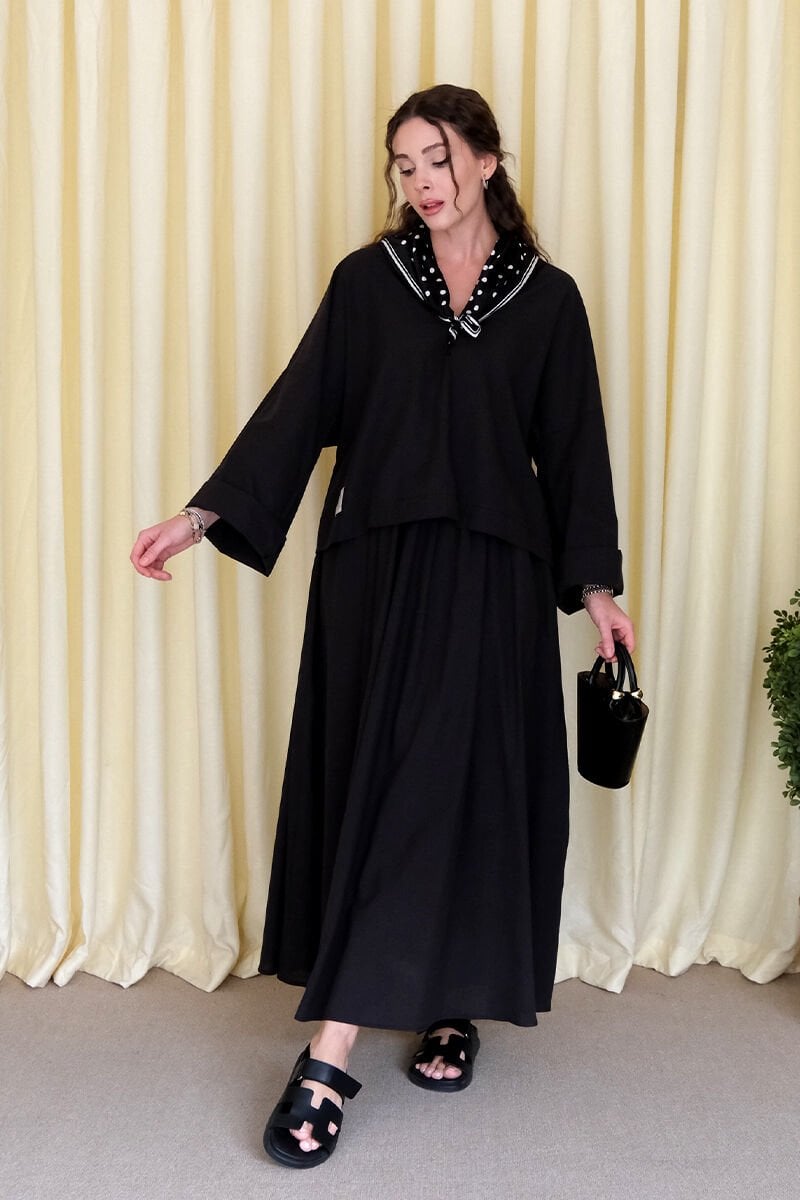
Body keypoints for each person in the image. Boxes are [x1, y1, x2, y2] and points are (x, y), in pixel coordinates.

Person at [131, 83, 635, 1169]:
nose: (420, 182)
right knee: (385, 781)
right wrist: (199, 516)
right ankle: (385, 1012)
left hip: (494, 578)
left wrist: (597, 591)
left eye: (437, 158)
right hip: (375, 572)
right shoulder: (368, 283)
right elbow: (298, 408)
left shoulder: (548, 302)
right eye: (404, 164)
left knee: (462, 787)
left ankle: (343, 1049)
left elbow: (574, 450)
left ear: (487, 161)